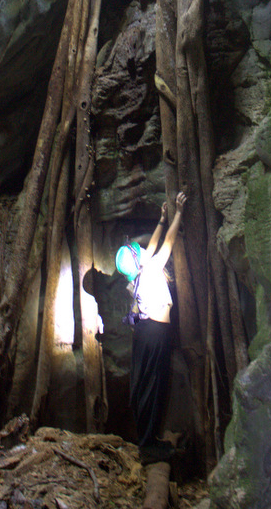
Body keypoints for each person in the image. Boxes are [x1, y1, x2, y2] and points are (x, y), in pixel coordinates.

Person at [115, 191, 187, 464]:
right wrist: (178, 214)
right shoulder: (151, 270)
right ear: (138, 260)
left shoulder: (137, 275)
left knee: (147, 387)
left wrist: (161, 219)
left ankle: (149, 441)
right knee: (152, 389)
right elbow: (167, 245)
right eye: (138, 251)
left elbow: (154, 245)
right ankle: (148, 447)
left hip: (147, 334)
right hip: (154, 335)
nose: (143, 249)